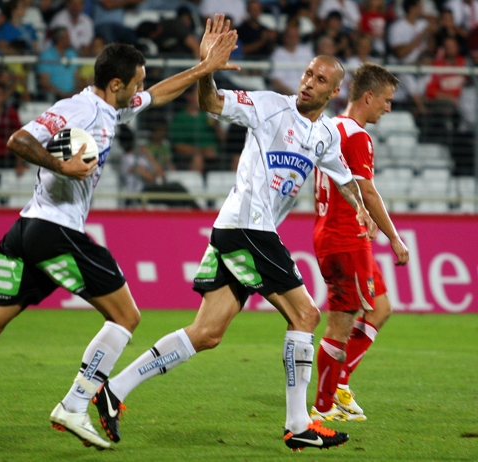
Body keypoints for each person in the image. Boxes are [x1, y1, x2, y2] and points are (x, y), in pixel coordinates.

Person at [0, 31, 240, 461]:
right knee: (126, 316)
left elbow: (160, 96)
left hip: (26, 231)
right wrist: (61, 165)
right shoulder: (78, 109)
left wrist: (204, 69)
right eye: (138, 83)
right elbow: (19, 139)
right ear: (116, 84)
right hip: (55, 230)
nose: (142, 90)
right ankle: (74, 404)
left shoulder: (112, 109)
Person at [91, 14, 377, 452]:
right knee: (305, 316)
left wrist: (363, 210)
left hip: (240, 232)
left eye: (319, 80)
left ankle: (114, 390)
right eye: (307, 73)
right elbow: (212, 104)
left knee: (206, 333)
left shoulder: (322, 137)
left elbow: (346, 179)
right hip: (247, 226)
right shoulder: (268, 105)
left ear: (333, 92)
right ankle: (299, 422)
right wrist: (207, 67)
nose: (308, 83)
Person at [309, 63, 409, 422]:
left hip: (334, 231)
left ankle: (341, 385)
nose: (388, 107)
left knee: (380, 307)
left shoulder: (329, 126)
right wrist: (395, 238)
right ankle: (325, 408)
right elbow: (366, 190)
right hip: (345, 237)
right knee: (340, 323)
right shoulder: (356, 136)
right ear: (369, 97)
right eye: (386, 100)